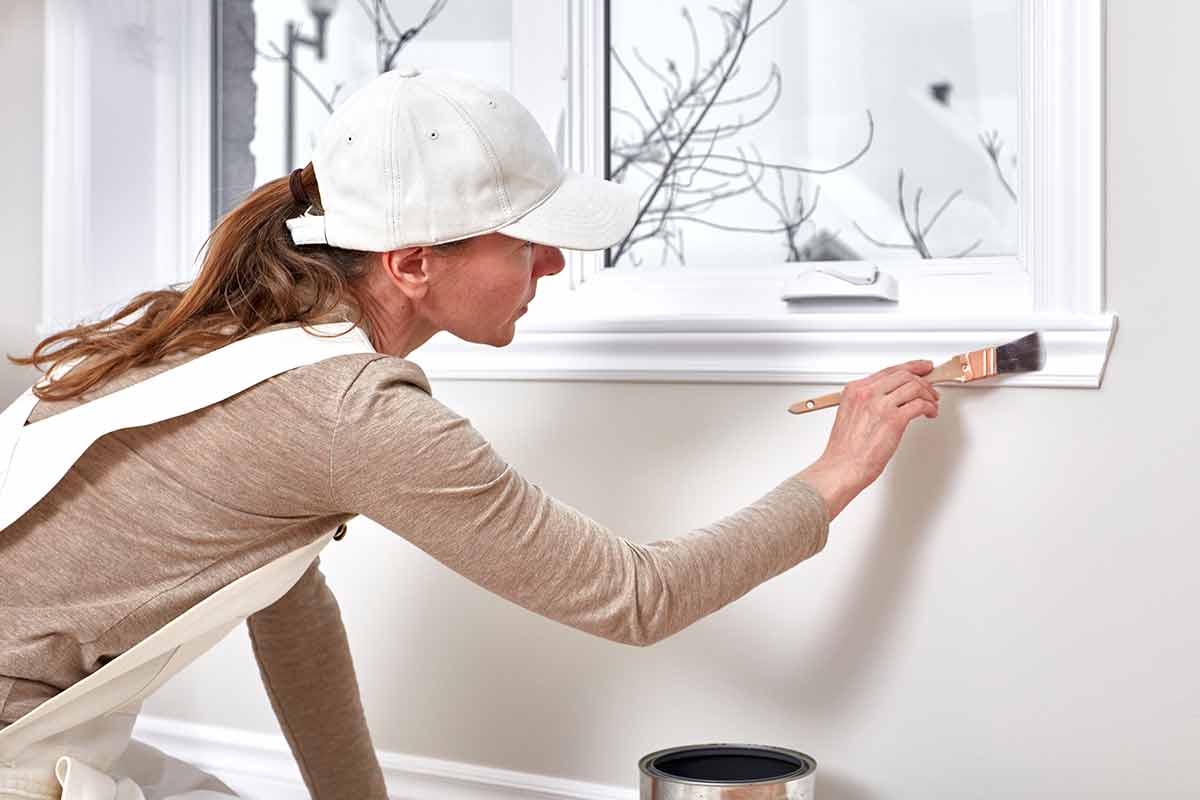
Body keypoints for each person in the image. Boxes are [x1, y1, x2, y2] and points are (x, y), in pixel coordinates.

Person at [0, 65, 939, 799]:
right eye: (526, 238)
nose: (558, 262)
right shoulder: (352, 410)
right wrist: (839, 470)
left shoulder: (240, 339)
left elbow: (285, 601)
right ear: (411, 263)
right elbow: (635, 597)